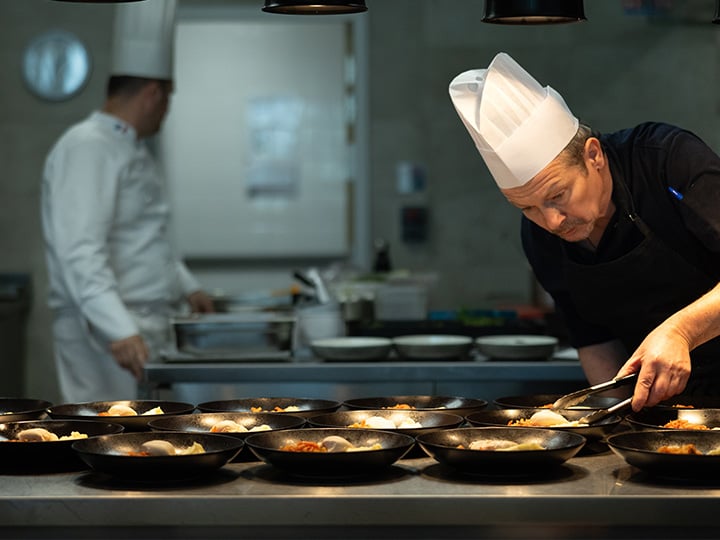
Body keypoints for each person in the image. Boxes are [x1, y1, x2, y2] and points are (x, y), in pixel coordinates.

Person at [449, 52, 720, 411]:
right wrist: (615, 421)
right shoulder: (539, 238)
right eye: (527, 208)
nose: (551, 222)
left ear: (594, 156)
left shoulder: (666, 160)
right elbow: (594, 339)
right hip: (669, 406)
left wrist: (681, 331)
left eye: (557, 195)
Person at [41, 0, 213, 403]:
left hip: (138, 324)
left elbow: (144, 235)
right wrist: (117, 328)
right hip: (101, 334)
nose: (166, 113)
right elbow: (80, 249)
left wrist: (187, 286)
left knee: (142, 444)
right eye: (168, 99)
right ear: (154, 94)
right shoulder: (87, 146)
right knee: (109, 443)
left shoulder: (132, 149)